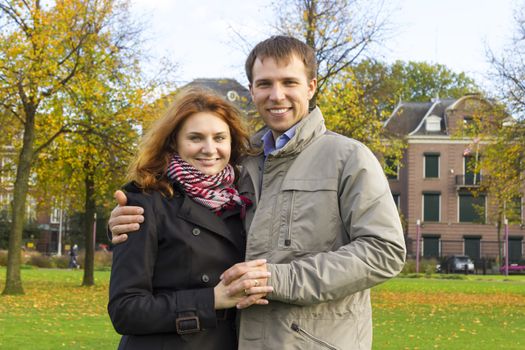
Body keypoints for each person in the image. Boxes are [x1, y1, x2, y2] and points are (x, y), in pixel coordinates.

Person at [109, 36, 406, 349]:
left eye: (289, 82)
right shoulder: (241, 161)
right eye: (265, 84)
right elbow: (185, 212)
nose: (277, 95)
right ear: (252, 91)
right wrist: (128, 222)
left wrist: (277, 280)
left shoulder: (349, 158)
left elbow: (384, 251)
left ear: (311, 86)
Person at [107, 88, 273, 350]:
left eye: (219, 137)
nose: (209, 149)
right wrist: (211, 300)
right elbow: (125, 309)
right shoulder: (145, 202)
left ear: (232, 143)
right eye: (195, 138)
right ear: (174, 142)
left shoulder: (244, 200)